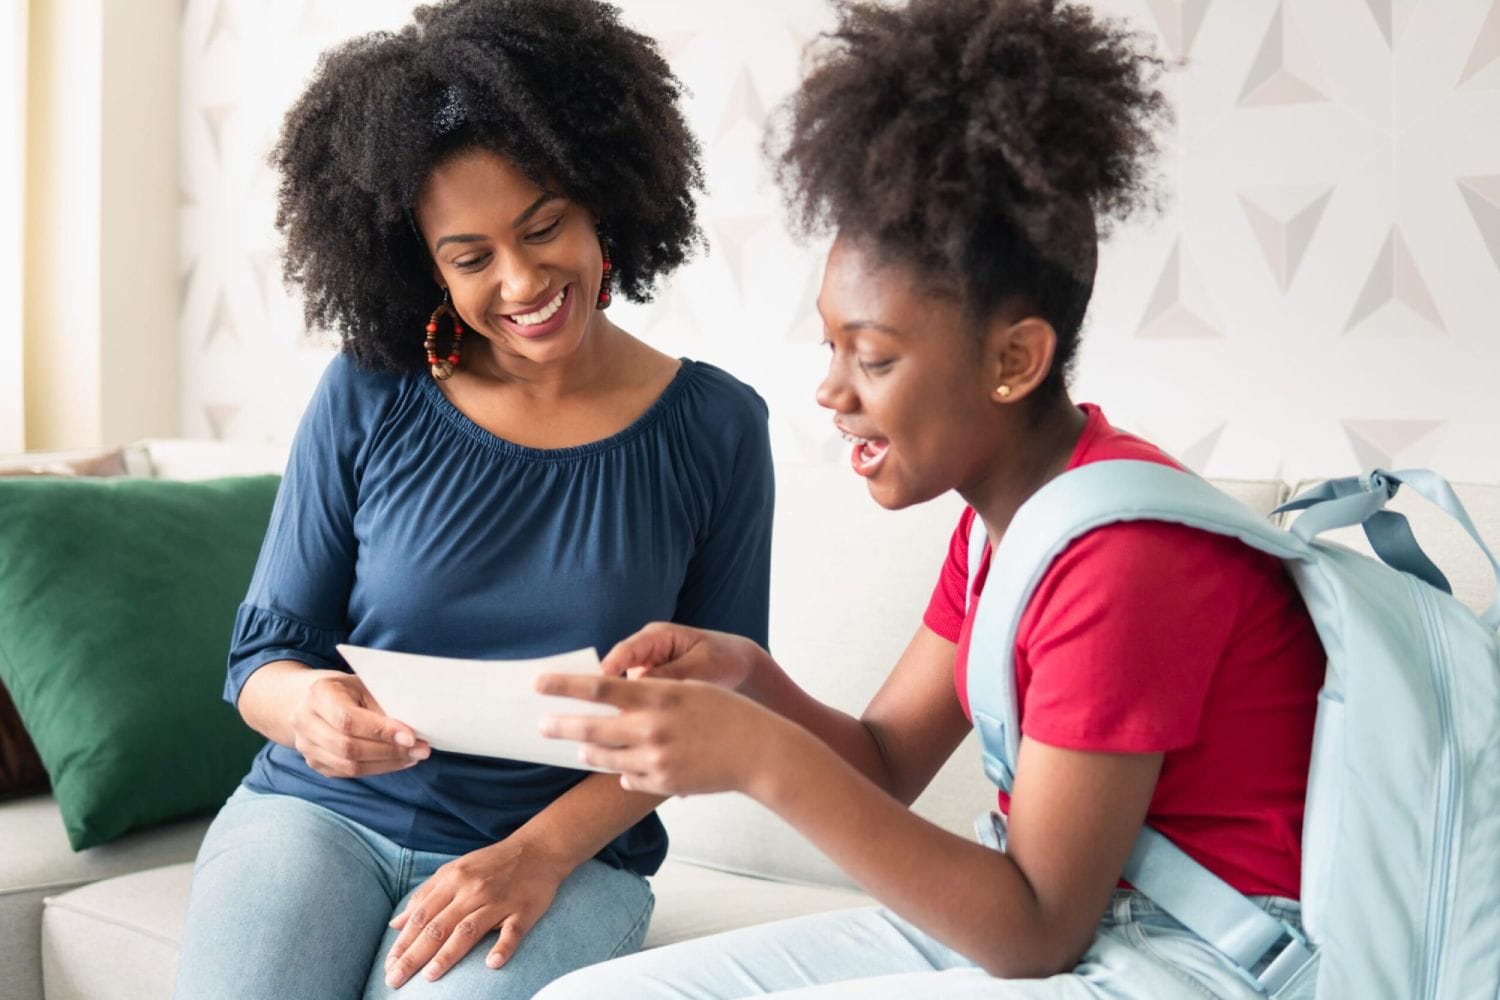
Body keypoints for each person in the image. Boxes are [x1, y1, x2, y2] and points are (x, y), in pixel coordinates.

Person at [532, 0, 1324, 996]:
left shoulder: (1125, 559)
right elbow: (885, 760)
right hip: (1084, 934)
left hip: (1199, 960)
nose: (831, 391)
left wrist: (758, 758)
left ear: (1013, 359)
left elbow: (1038, 928)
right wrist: (751, 685)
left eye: (873, 356)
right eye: (832, 346)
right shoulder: (1007, 528)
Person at [172, 1, 774, 997]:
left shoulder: (716, 429)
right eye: (472, 257)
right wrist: (312, 706)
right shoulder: (371, 389)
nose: (523, 280)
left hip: (566, 853)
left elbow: (708, 711)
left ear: (602, 203)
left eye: (545, 229)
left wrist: (535, 856)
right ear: (424, 267)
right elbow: (260, 658)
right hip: (319, 813)